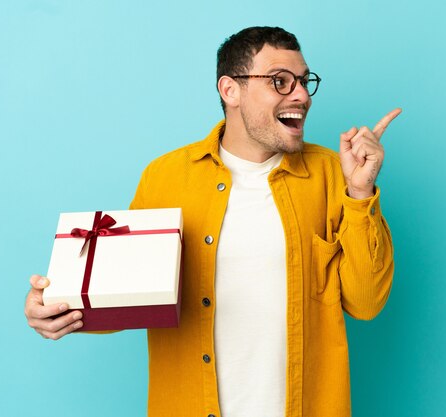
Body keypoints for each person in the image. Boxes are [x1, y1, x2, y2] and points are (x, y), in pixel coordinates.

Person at [25, 26, 400, 417]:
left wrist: (360, 194)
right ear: (230, 90)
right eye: (280, 81)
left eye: (304, 82)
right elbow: (131, 295)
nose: (302, 95)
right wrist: (55, 307)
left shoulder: (332, 173)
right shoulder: (166, 177)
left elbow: (366, 302)